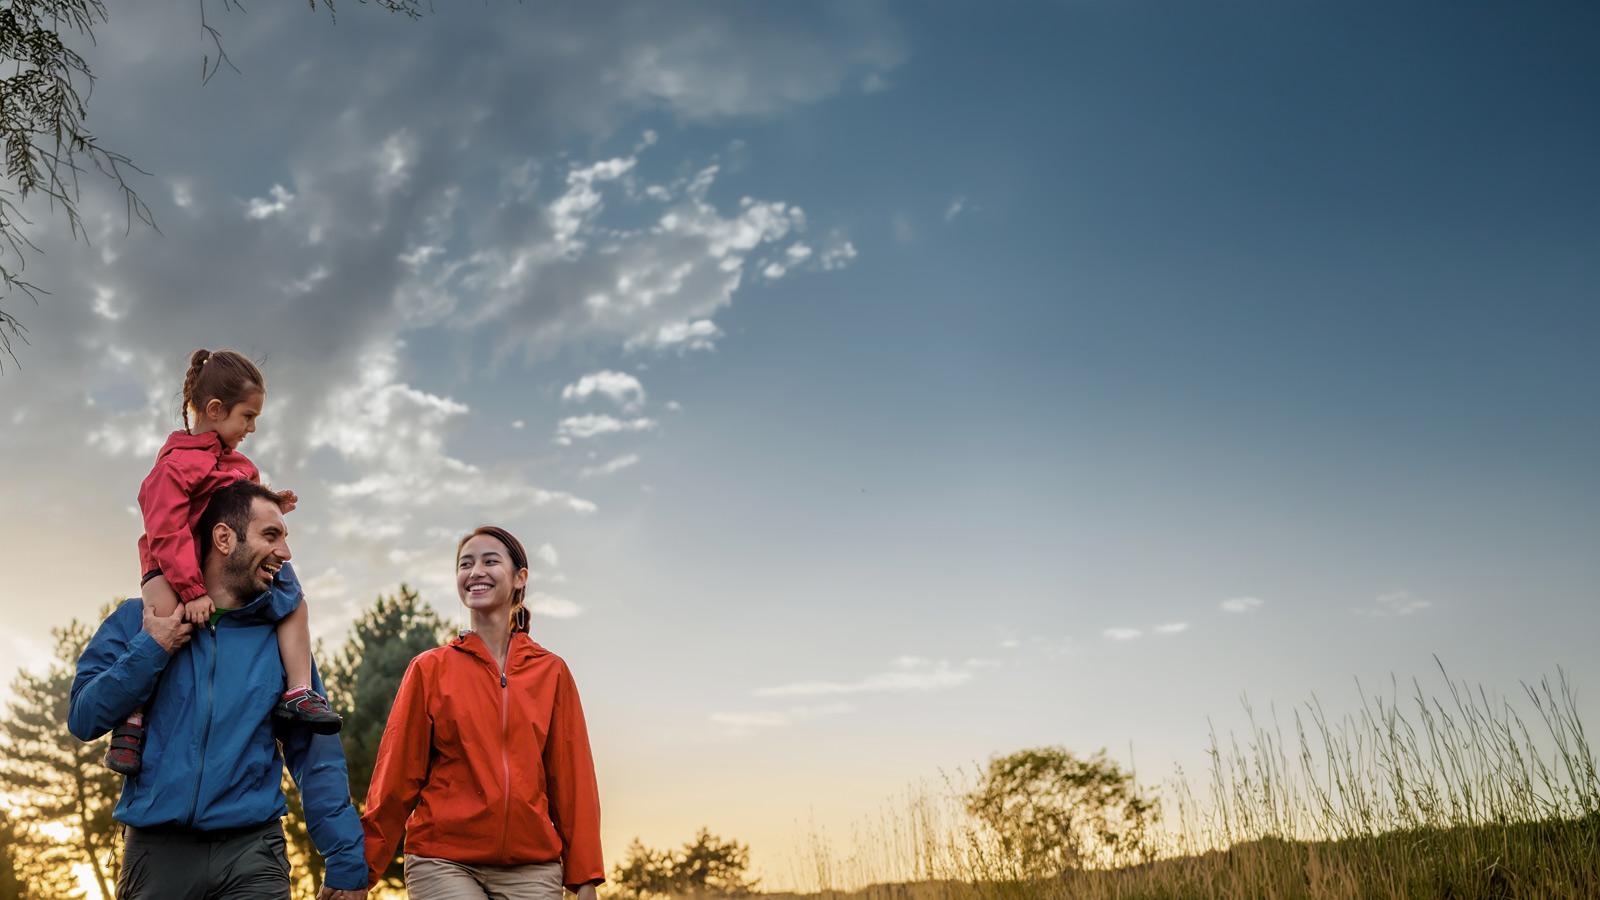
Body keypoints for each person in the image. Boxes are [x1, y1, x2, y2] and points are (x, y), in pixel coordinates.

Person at [69, 480, 368, 899]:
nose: (285, 552)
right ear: (224, 537)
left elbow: (315, 752)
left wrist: (345, 858)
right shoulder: (140, 620)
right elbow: (84, 717)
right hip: (157, 856)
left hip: (254, 854)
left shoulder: (279, 639)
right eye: (271, 535)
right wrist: (152, 648)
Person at [106, 347, 339, 776]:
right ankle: (132, 720)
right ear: (215, 410)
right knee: (160, 626)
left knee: (294, 597)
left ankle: (299, 692)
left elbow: (241, 515)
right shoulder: (173, 468)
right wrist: (191, 590)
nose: (251, 427)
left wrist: (271, 505)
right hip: (168, 564)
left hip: (219, 565)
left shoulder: (239, 465)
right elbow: (167, 531)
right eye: (247, 417)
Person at [362, 526, 603, 899]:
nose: (475, 572)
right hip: (442, 859)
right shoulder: (430, 669)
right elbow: (395, 777)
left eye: (490, 561)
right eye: (465, 564)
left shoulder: (552, 672)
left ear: (520, 577)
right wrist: (362, 867)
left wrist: (584, 876)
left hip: (532, 865)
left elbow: (572, 780)